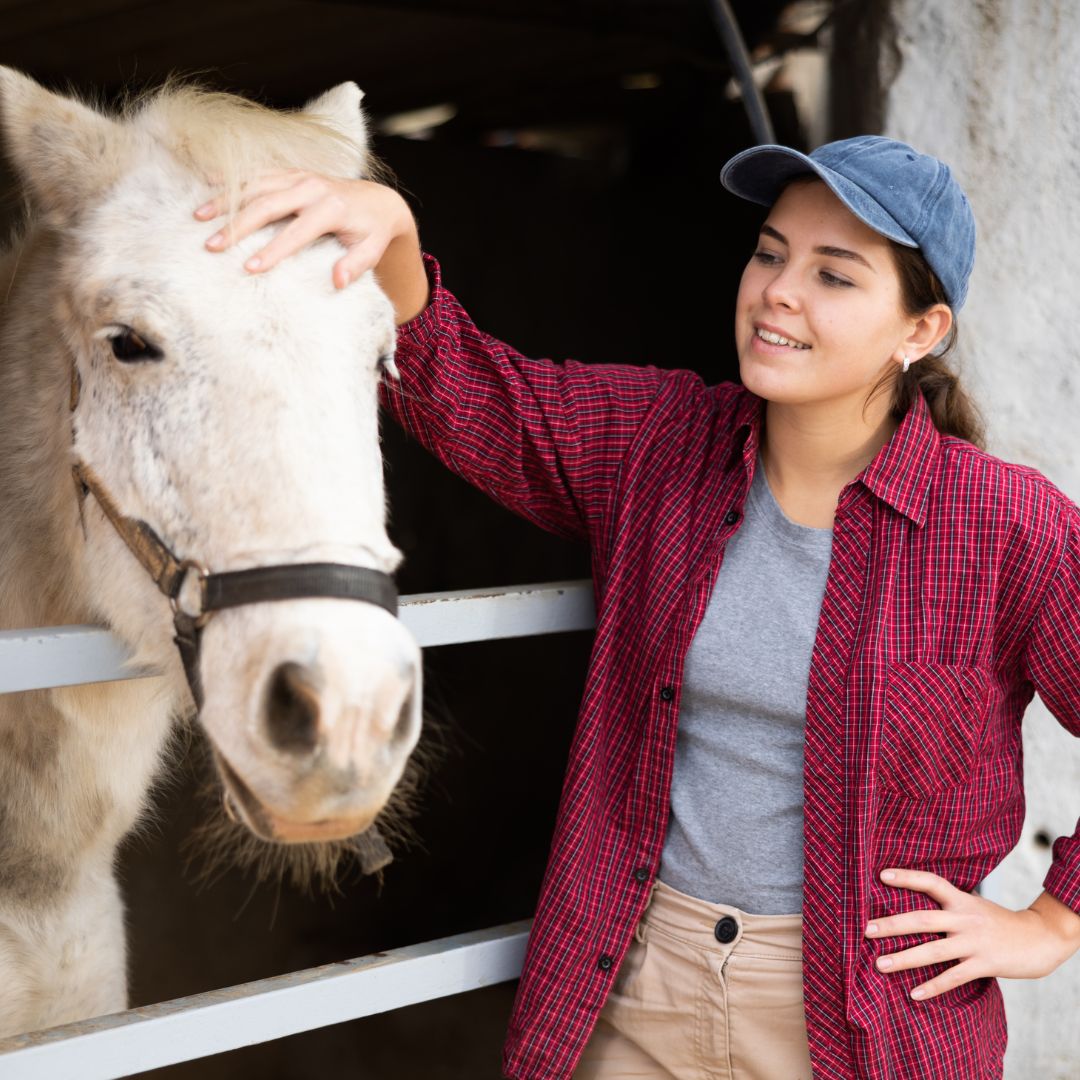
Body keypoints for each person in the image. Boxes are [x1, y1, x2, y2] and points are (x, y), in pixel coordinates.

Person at [196, 135, 1080, 1079]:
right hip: (640, 982)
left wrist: (1051, 922)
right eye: (771, 253)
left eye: (836, 275)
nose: (779, 291)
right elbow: (482, 398)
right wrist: (397, 245)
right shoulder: (662, 444)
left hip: (870, 1024)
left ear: (922, 331)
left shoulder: (1005, 527)